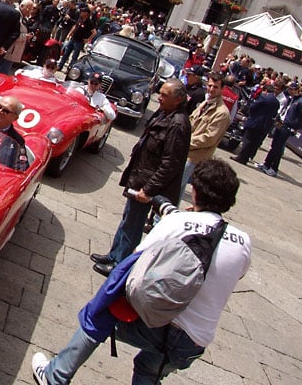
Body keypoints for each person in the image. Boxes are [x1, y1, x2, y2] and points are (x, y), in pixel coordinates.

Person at [32, 159, 251, 385]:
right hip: (192, 343)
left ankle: (55, 376)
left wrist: (172, 222)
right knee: (149, 369)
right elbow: (237, 274)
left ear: (194, 191)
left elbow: (139, 260)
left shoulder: (177, 221)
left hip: (153, 327)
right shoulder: (243, 241)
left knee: (98, 315)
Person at [91, 78, 190, 276]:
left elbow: (171, 163)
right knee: (128, 219)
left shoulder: (178, 124)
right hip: (140, 176)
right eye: (160, 93)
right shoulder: (165, 113)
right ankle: (114, 254)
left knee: (134, 224)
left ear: (177, 100)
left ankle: (120, 264)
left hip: (147, 183)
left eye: (164, 95)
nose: (159, 98)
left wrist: (149, 190)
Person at [180, 71, 230, 202]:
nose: (211, 89)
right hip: (184, 150)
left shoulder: (222, 113)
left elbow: (209, 138)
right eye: (210, 85)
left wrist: (186, 141)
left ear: (222, 89)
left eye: (215, 87)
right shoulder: (205, 103)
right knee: (178, 188)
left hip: (194, 157)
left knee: (174, 185)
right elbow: (191, 121)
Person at [255, 82, 302, 177]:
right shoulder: (291, 99)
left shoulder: (301, 102)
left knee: (278, 148)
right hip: (281, 124)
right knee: (274, 146)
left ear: (296, 90)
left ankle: (273, 168)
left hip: (288, 127)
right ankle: (266, 164)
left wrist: (295, 128)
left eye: (291, 89)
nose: (289, 91)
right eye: (289, 89)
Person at [231, 81, 279, 165]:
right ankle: (247, 157)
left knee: (247, 140)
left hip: (254, 122)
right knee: (254, 143)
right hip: (264, 125)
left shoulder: (263, 98)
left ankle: (241, 157)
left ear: (266, 91)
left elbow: (252, 107)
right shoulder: (276, 102)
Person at [57, 4, 95, 71]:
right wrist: (69, 34)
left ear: (86, 13)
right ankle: (60, 66)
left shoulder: (89, 22)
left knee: (74, 56)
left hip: (79, 41)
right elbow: (75, 26)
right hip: (73, 39)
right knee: (66, 53)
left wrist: (88, 39)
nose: (81, 13)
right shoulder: (80, 19)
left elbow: (94, 32)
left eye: (82, 12)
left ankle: (70, 68)